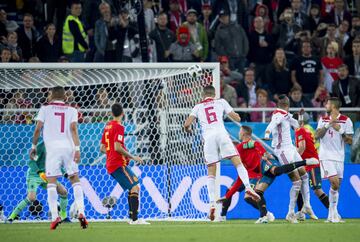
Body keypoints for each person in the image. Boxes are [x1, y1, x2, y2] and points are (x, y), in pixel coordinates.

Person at [183, 85, 260, 221]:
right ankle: (248, 187)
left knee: (211, 171)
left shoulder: (197, 106)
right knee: (237, 162)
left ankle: (212, 203)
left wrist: (188, 130)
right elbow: (237, 118)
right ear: (214, 94)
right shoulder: (221, 102)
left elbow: (186, 124)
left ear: (203, 95)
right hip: (221, 134)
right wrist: (233, 115)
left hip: (208, 138)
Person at [217, 126, 317, 223]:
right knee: (247, 194)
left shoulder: (241, 147)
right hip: (252, 174)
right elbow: (240, 177)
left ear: (243, 133)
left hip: (262, 167)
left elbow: (254, 143)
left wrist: (264, 153)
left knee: (273, 175)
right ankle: (264, 214)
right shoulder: (239, 158)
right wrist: (227, 196)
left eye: (240, 131)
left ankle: (304, 162)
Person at [30, 86, 87, 230]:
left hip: (53, 149)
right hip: (68, 148)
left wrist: (34, 146)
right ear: (65, 97)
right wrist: (77, 149)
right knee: (75, 179)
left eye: (49, 94)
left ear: (51, 96)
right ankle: (81, 212)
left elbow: (38, 129)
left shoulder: (45, 109)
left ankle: (55, 216)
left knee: (52, 182)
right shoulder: (72, 110)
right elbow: (74, 129)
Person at [264, 95, 317, 223]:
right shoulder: (278, 114)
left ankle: (307, 205)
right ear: (287, 105)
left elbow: (298, 125)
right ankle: (290, 212)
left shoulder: (286, 115)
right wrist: (267, 133)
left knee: (304, 175)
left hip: (291, 149)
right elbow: (272, 124)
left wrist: (299, 115)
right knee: (297, 181)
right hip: (282, 151)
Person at [100, 103, 149, 225]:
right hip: (117, 164)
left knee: (133, 187)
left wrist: (111, 154)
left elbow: (102, 148)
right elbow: (117, 147)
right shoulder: (119, 127)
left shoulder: (107, 126)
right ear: (123, 113)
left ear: (111, 113)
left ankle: (132, 217)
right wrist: (132, 156)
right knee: (134, 187)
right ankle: (135, 220)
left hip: (112, 163)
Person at [7, 142, 69, 222]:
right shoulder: (40, 147)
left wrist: (65, 174)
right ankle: (12, 217)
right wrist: (39, 172)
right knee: (31, 198)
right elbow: (31, 162)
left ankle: (63, 216)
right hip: (34, 174)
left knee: (63, 192)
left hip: (47, 175)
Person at [315, 97, 353, 223]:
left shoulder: (346, 121)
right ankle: (333, 214)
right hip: (326, 156)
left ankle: (332, 214)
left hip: (339, 158)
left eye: (328, 103)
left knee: (336, 187)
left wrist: (340, 130)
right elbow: (316, 136)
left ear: (334, 107)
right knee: (334, 183)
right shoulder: (323, 119)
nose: (326, 105)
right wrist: (327, 125)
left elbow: (350, 141)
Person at [294, 112, 330, 221]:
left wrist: (292, 158)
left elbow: (302, 148)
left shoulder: (300, 130)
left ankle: (333, 211)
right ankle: (300, 213)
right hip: (306, 162)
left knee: (317, 189)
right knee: (299, 187)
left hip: (311, 163)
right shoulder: (304, 129)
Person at [248, 16, 273, 85]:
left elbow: (273, 48)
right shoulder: (250, 35)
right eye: (256, 22)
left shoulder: (268, 35)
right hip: (255, 63)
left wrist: (267, 45)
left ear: (263, 23)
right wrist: (251, 61)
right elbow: (249, 50)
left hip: (267, 63)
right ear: (254, 24)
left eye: (260, 21)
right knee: (254, 83)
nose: (258, 23)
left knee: (267, 82)